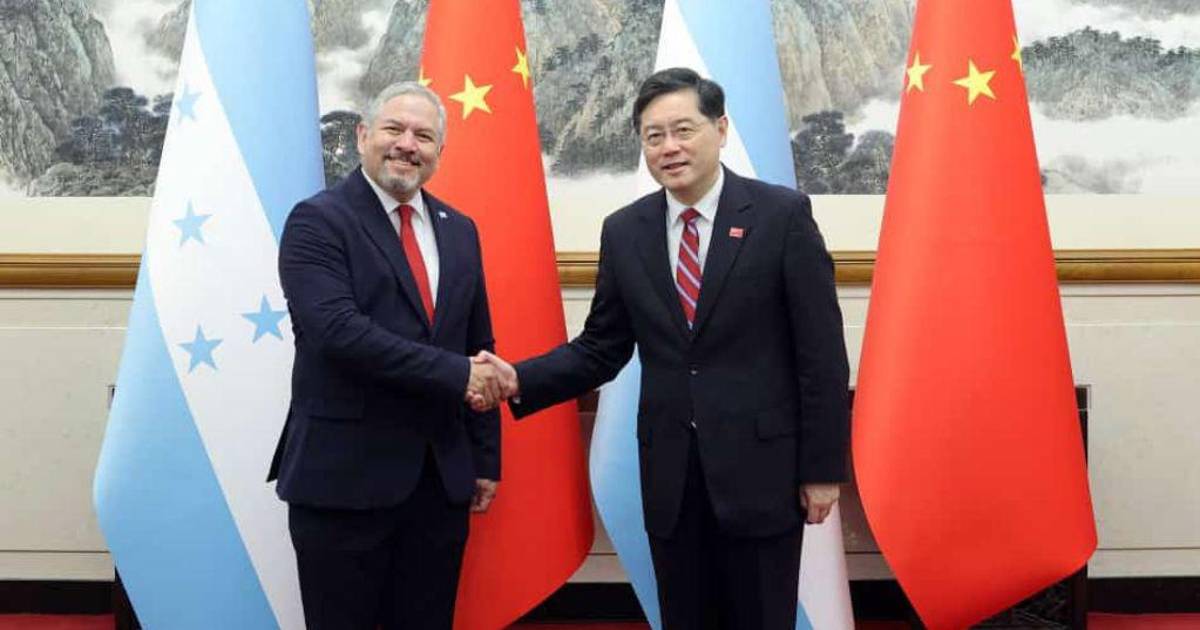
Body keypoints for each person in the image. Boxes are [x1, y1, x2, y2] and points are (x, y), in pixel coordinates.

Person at [476, 68, 850, 629]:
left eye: (683, 129)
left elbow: (820, 356)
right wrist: (517, 378)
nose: (669, 147)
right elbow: (601, 348)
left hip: (762, 473)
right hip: (671, 477)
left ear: (720, 129)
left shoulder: (781, 216)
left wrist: (821, 469)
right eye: (654, 136)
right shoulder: (625, 230)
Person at [267, 81, 507, 630]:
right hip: (343, 481)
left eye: (423, 136)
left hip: (439, 482)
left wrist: (484, 458)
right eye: (394, 129)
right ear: (362, 136)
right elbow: (338, 332)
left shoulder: (460, 230)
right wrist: (458, 374)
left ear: (439, 151)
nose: (407, 144)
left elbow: (478, 345)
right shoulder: (317, 221)